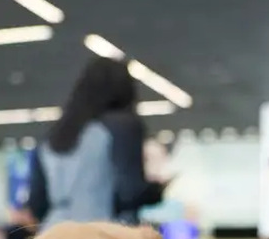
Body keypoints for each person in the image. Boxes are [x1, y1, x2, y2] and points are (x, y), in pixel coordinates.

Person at [28, 56, 167, 230]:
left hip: (53, 233)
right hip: (102, 235)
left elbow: (37, 203)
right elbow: (130, 193)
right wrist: (156, 191)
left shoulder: (52, 137)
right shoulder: (122, 126)